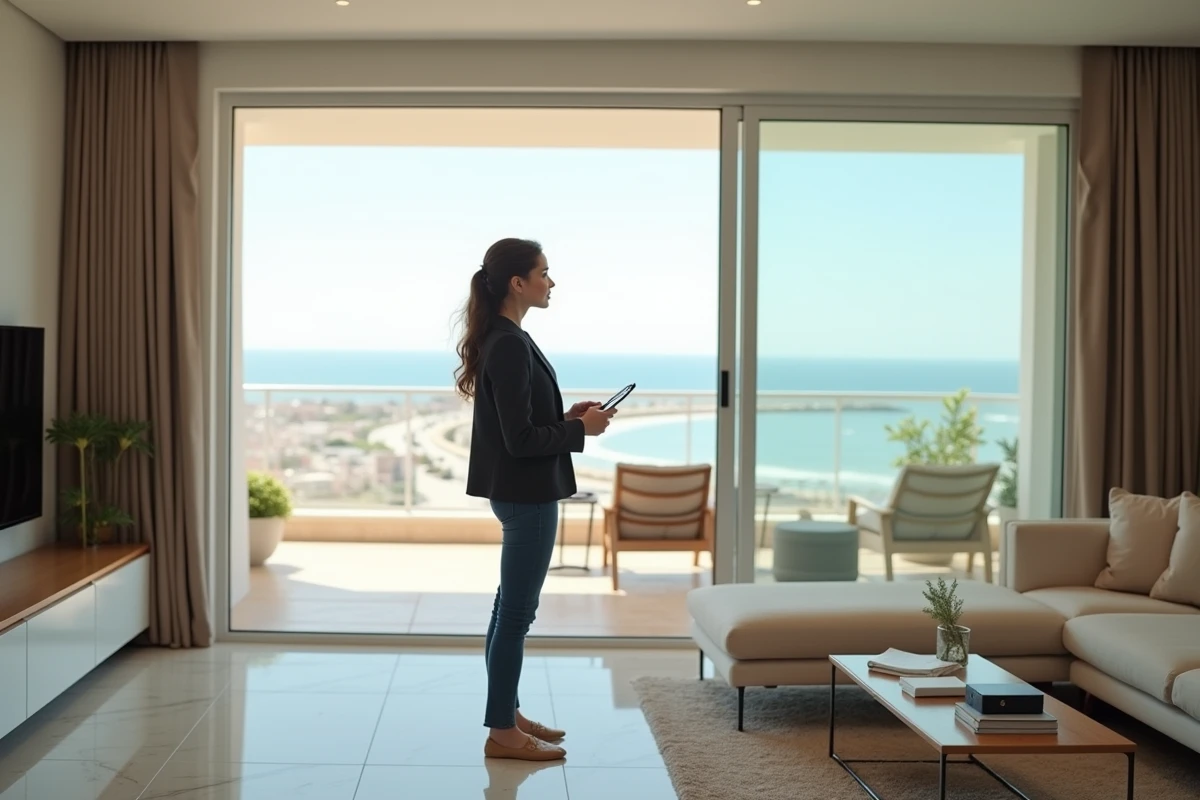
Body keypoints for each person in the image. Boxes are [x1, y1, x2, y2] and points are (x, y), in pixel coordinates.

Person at [455, 238, 616, 761]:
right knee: (516, 615)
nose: (551, 282)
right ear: (517, 282)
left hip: (519, 493)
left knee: (508, 610)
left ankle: (508, 713)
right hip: (527, 496)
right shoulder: (507, 344)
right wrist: (582, 431)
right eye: (544, 273)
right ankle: (502, 732)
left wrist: (569, 419)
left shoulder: (509, 338)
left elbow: (520, 424)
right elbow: (520, 440)